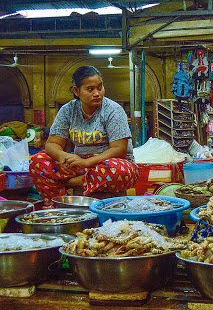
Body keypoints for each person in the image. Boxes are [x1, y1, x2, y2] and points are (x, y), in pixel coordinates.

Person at [29, 66, 139, 208]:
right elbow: (52, 144)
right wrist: (62, 157)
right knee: (38, 161)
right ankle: (55, 205)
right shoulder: (68, 110)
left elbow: (120, 149)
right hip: (80, 163)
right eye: (90, 89)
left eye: (100, 87)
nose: (97, 93)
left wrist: (87, 163)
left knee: (116, 171)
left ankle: (70, 182)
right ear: (76, 91)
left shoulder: (113, 110)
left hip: (111, 163)